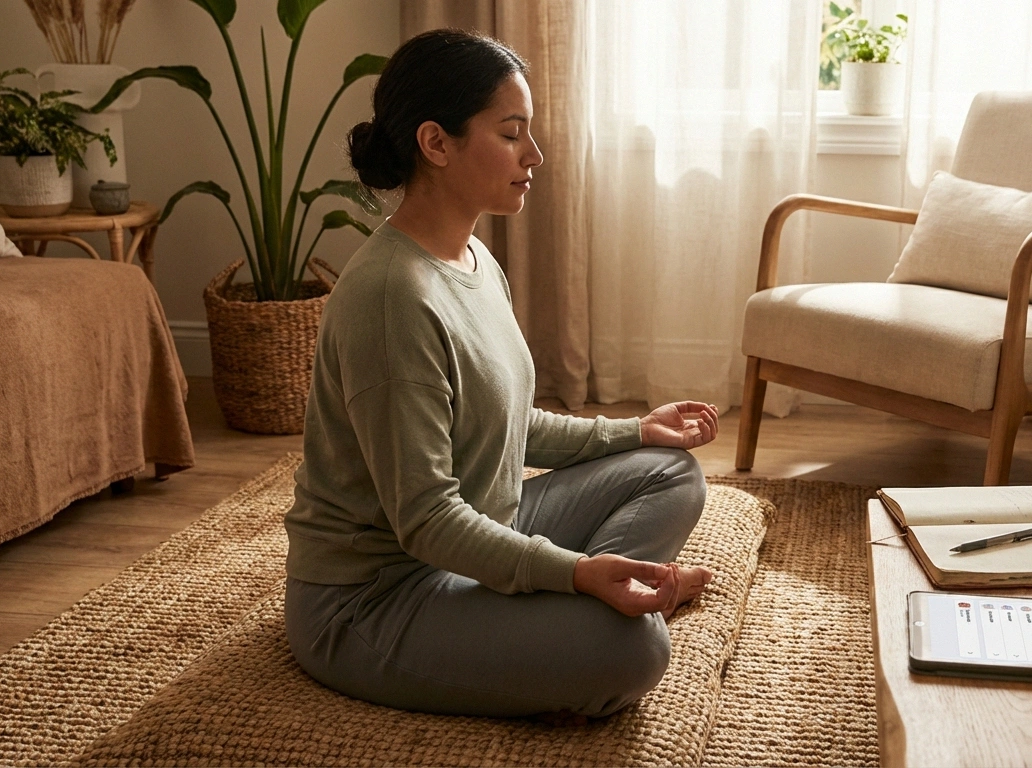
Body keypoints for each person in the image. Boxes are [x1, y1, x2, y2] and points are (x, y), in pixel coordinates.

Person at [283, 28, 718, 722]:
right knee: (634, 652)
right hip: (375, 599)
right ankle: (592, 609)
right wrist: (574, 572)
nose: (533, 154)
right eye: (512, 133)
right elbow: (427, 520)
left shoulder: (474, 259)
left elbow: (510, 423)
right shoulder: (392, 299)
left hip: (481, 529)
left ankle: (583, 602)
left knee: (670, 472)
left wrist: (637, 429)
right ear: (436, 143)